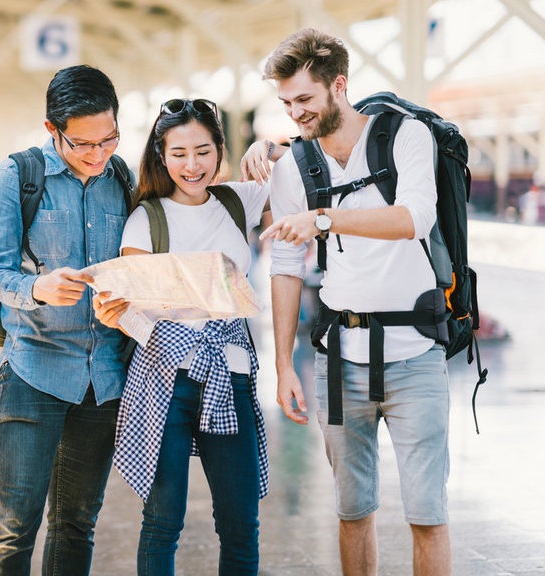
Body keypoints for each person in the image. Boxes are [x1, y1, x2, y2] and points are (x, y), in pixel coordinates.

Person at [257, 29, 451, 576]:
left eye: (305, 100)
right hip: (340, 363)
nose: (295, 113)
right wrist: (281, 367)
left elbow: (415, 218)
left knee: (428, 515)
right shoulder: (294, 165)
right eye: (287, 103)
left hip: (417, 357)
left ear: (338, 86)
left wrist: (324, 218)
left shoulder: (406, 137)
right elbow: (286, 266)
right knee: (351, 510)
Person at [93, 98, 281, 575]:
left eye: (203, 151)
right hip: (164, 380)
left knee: (241, 523)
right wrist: (120, 316)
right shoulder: (146, 219)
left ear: (220, 150)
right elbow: (131, 310)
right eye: (178, 153)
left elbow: (307, 166)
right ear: (161, 156)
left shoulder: (241, 199)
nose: (191, 165)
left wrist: (270, 147)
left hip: (232, 372)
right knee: (162, 522)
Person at [0, 64, 134, 576]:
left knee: (76, 525)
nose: (98, 155)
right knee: (12, 529)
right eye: (83, 144)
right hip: (32, 372)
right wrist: (36, 289)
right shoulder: (16, 176)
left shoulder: (124, 178)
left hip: (103, 380)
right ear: (52, 130)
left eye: (108, 139)